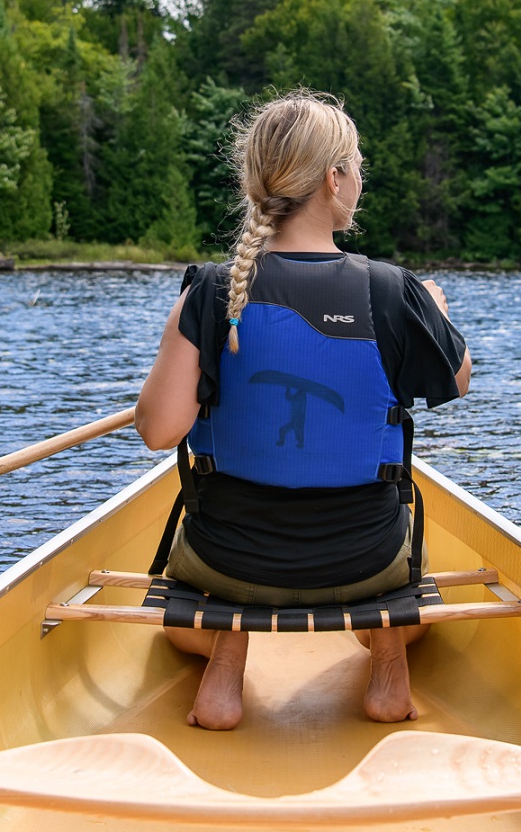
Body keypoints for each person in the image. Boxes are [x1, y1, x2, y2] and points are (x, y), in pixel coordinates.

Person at [133, 91, 471, 731]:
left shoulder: (208, 293)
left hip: (227, 560)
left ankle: (226, 663)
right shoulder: (394, 291)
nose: (361, 179)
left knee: (181, 626)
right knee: (417, 604)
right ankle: (389, 665)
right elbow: (457, 377)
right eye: (358, 165)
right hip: (366, 560)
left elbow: (158, 431)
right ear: (333, 179)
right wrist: (437, 313)